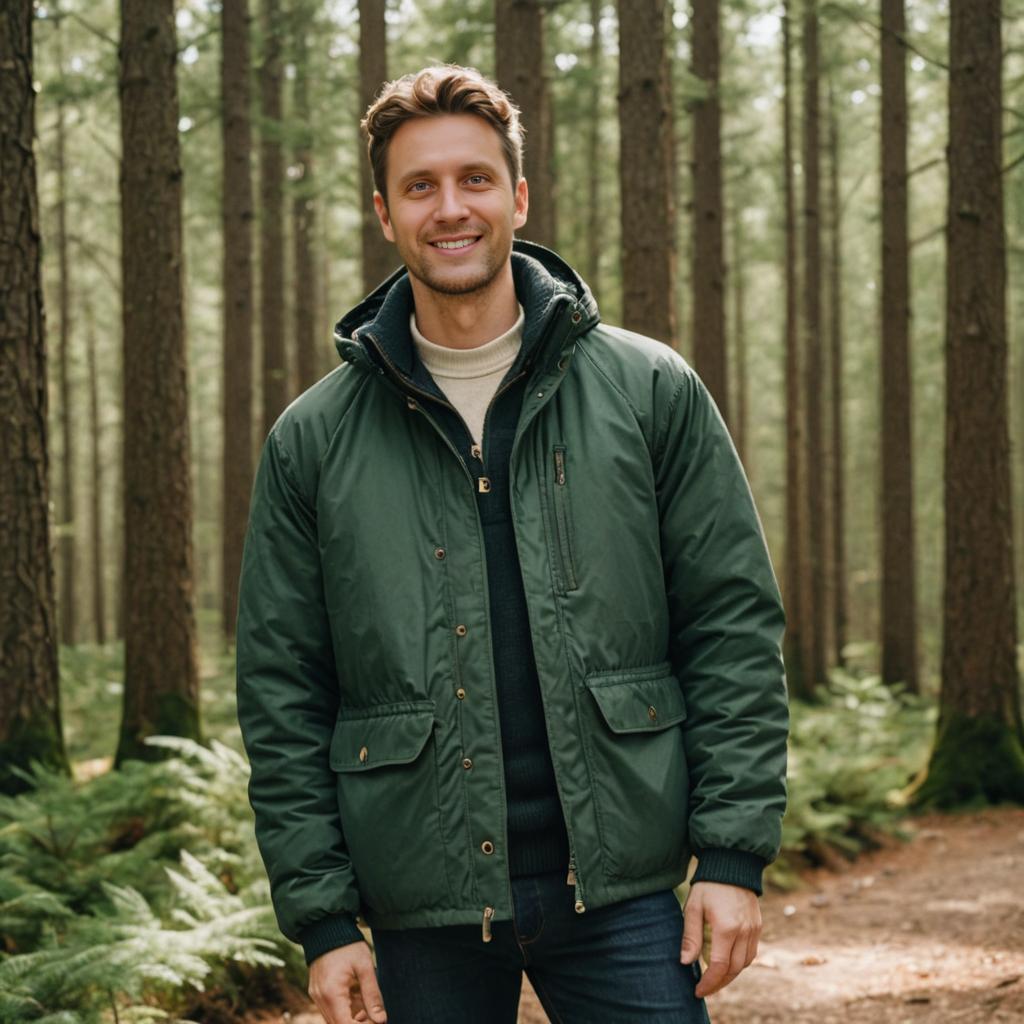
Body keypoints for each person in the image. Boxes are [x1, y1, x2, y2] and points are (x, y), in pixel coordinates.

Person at [236, 64, 789, 1024]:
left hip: (620, 894)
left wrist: (732, 855)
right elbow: (282, 687)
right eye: (420, 186)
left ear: (518, 196)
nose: (451, 208)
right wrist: (323, 920)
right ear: (384, 212)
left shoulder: (650, 390)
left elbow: (731, 625)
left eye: (475, 179)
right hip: (422, 907)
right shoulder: (312, 440)